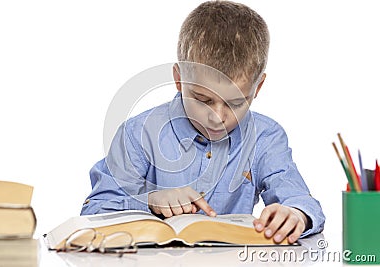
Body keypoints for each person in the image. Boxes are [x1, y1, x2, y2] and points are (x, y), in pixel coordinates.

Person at [81, 0, 325, 244]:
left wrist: (295, 215)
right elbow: (95, 210)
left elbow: (298, 198)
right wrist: (150, 199)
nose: (218, 117)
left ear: (257, 87)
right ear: (179, 79)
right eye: (203, 99)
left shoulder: (266, 137)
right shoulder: (137, 134)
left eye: (236, 103)